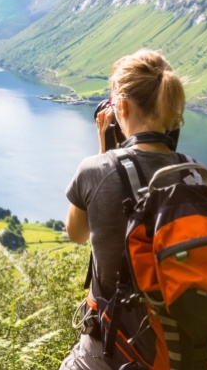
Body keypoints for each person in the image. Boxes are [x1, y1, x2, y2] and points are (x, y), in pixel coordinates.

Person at [60, 49, 188, 370]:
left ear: (124, 107)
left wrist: (104, 152)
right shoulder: (193, 173)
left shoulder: (94, 170)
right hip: (182, 346)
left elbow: (76, 234)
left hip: (117, 347)